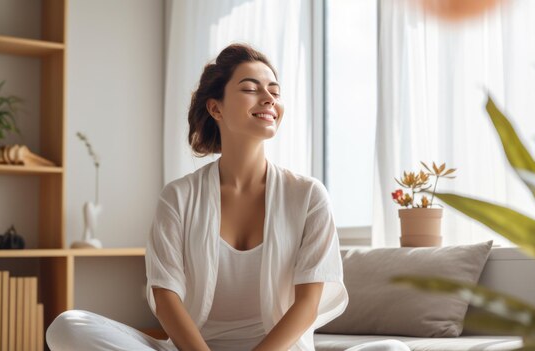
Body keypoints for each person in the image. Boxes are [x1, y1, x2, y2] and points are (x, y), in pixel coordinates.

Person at [45, 43, 349, 351]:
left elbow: (307, 304)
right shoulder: (178, 197)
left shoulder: (308, 195)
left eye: (274, 90)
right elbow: (166, 298)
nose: (269, 98)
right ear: (216, 107)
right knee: (67, 326)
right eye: (251, 89)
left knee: (391, 348)